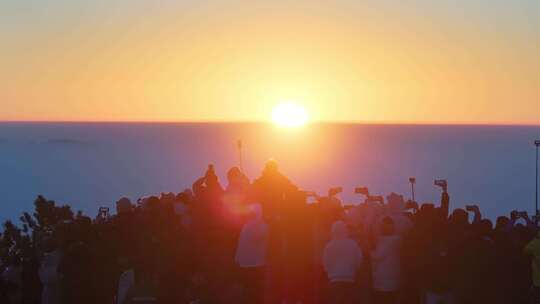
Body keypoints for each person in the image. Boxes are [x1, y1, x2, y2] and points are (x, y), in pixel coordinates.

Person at [322, 220, 363, 304]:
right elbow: (359, 260)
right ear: (345, 230)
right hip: (350, 280)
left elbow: (325, 263)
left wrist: (331, 272)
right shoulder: (353, 244)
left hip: (334, 281)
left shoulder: (329, 246)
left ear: (332, 231)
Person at [235, 204, 268, 304]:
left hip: (246, 264)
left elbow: (241, 245)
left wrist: (237, 259)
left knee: (248, 289)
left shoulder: (246, 226)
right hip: (260, 263)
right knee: (257, 289)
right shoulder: (265, 227)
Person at [371, 217, 401, 304]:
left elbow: (378, 256)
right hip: (393, 280)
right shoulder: (397, 239)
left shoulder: (387, 240)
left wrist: (368, 250)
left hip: (383, 281)